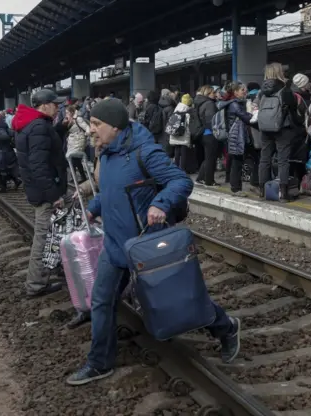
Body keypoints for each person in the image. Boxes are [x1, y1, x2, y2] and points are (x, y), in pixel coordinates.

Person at [66, 98, 241, 385]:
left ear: (115, 125)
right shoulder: (107, 153)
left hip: (146, 244)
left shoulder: (144, 152)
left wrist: (160, 203)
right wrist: (94, 208)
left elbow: (181, 181)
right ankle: (99, 363)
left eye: (97, 125)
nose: (92, 131)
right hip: (115, 247)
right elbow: (112, 191)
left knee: (180, 300)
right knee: (101, 301)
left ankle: (226, 327)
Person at [13, 89, 68, 297]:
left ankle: (57, 270)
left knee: (52, 234)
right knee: (43, 238)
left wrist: (60, 131)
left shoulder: (31, 123)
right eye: (55, 104)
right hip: (45, 193)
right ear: (44, 105)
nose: (58, 108)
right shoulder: (39, 127)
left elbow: (42, 150)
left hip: (38, 190)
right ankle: (36, 284)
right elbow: (38, 165)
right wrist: (54, 194)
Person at [257, 63, 299, 202]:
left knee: (264, 159)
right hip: (283, 128)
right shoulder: (285, 89)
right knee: (283, 161)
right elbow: (293, 108)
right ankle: (283, 193)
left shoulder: (261, 90)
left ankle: (262, 191)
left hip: (264, 129)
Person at [218, 82, 254, 197]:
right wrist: (251, 112)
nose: (245, 91)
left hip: (235, 136)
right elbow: (246, 117)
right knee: (236, 162)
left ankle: (236, 187)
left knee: (235, 161)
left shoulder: (234, 103)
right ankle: (236, 189)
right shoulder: (234, 104)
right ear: (235, 92)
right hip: (236, 137)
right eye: (243, 90)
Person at [195, 85, 221, 187]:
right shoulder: (209, 104)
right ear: (208, 93)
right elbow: (211, 121)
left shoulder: (199, 103)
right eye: (213, 93)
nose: (215, 95)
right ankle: (209, 181)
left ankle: (200, 178)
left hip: (202, 133)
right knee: (211, 158)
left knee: (208, 158)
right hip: (210, 134)